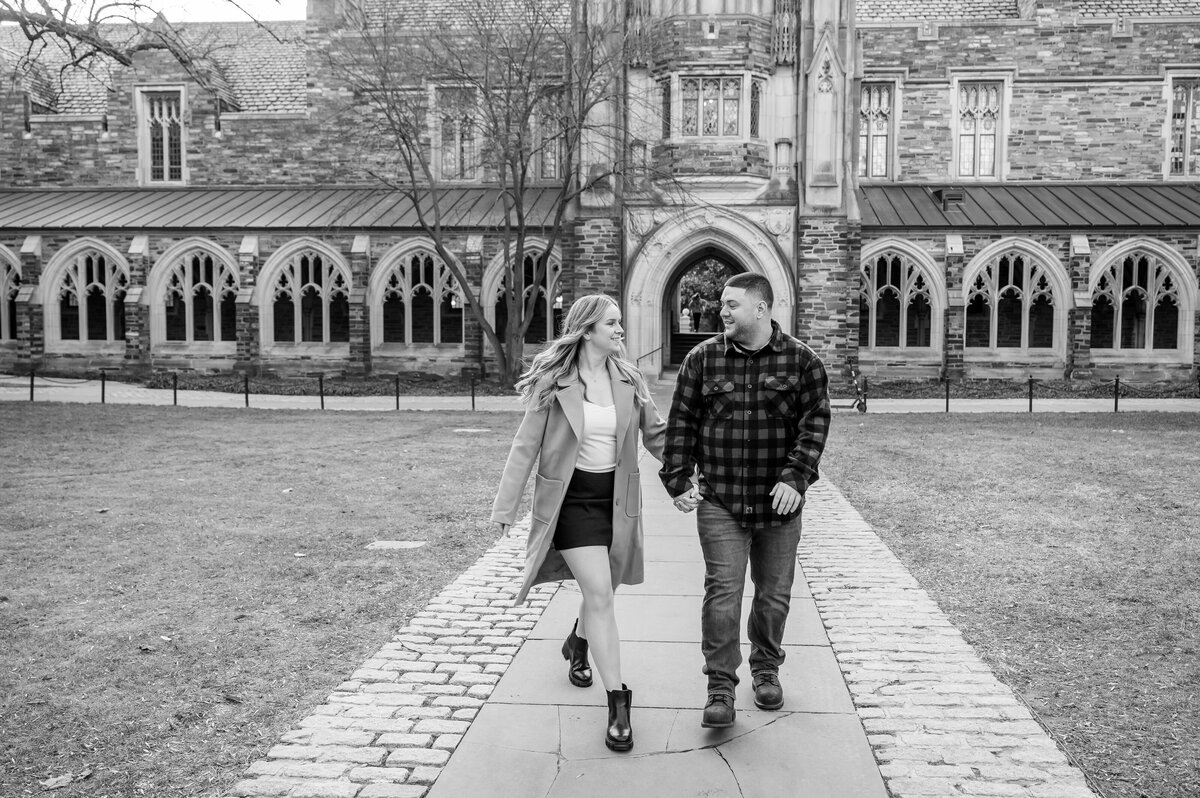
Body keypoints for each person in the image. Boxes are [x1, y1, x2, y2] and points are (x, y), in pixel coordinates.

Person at [492, 294, 667, 751]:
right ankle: (619, 703)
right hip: (571, 504)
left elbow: (657, 436)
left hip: (618, 502)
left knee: (603, 592)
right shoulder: (555, 382)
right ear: (587, 330)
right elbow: (524, 446)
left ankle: (577, 641)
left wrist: (689, 474)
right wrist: (506, 508)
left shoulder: (629, 377)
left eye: (621, 323)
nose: (621, 330)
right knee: (601, 595)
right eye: (612, 323)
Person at [659, 272, 830, 729]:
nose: (722, 311)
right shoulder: (702, 360)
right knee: (723, 594)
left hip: (780, 505)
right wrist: (676, 479)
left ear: (761, 308)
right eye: (722, 304)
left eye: (731, 303)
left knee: (773, 596)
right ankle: (720, 686)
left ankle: (766, 668)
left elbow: (814, 427)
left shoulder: (803, 362)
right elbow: (682, 425)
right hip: (721, 501)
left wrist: (797, 479)